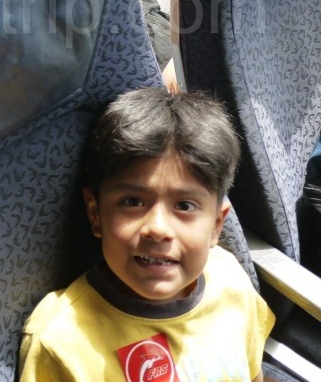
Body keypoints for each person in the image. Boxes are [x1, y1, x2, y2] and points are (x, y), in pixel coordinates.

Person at [18, 88, 275, 382]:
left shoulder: (230, 281)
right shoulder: (60, 340)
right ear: (95, 214)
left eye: (185, 206)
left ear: (216, 226)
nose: (158, 229)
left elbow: (253, 374)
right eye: (133, 202)